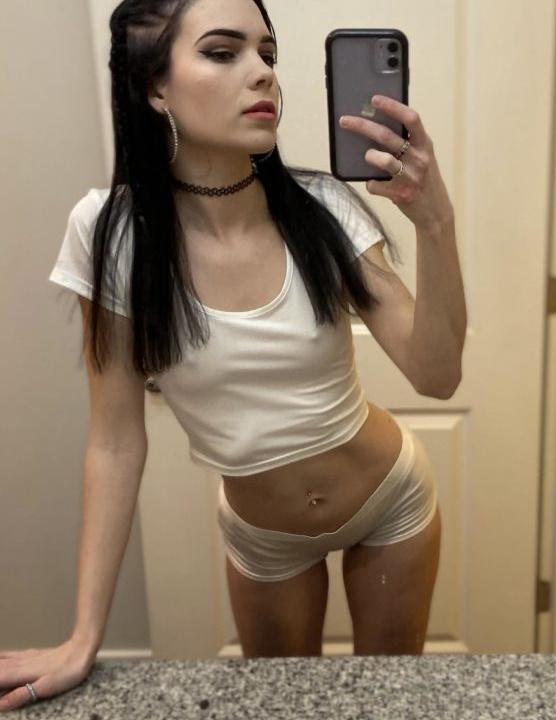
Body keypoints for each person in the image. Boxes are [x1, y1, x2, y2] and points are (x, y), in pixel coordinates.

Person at [0, 0, 466, 712]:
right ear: (155, 86)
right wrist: (82, 637)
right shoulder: (111, 234)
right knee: (281, 708)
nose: (262, 74)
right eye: (223, 52)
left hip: (389, 502)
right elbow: (114, 441)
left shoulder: (321, 207)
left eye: (268, 55)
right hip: (264, 537)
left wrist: (436, 224)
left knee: (386, 705)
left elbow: (436, 376)